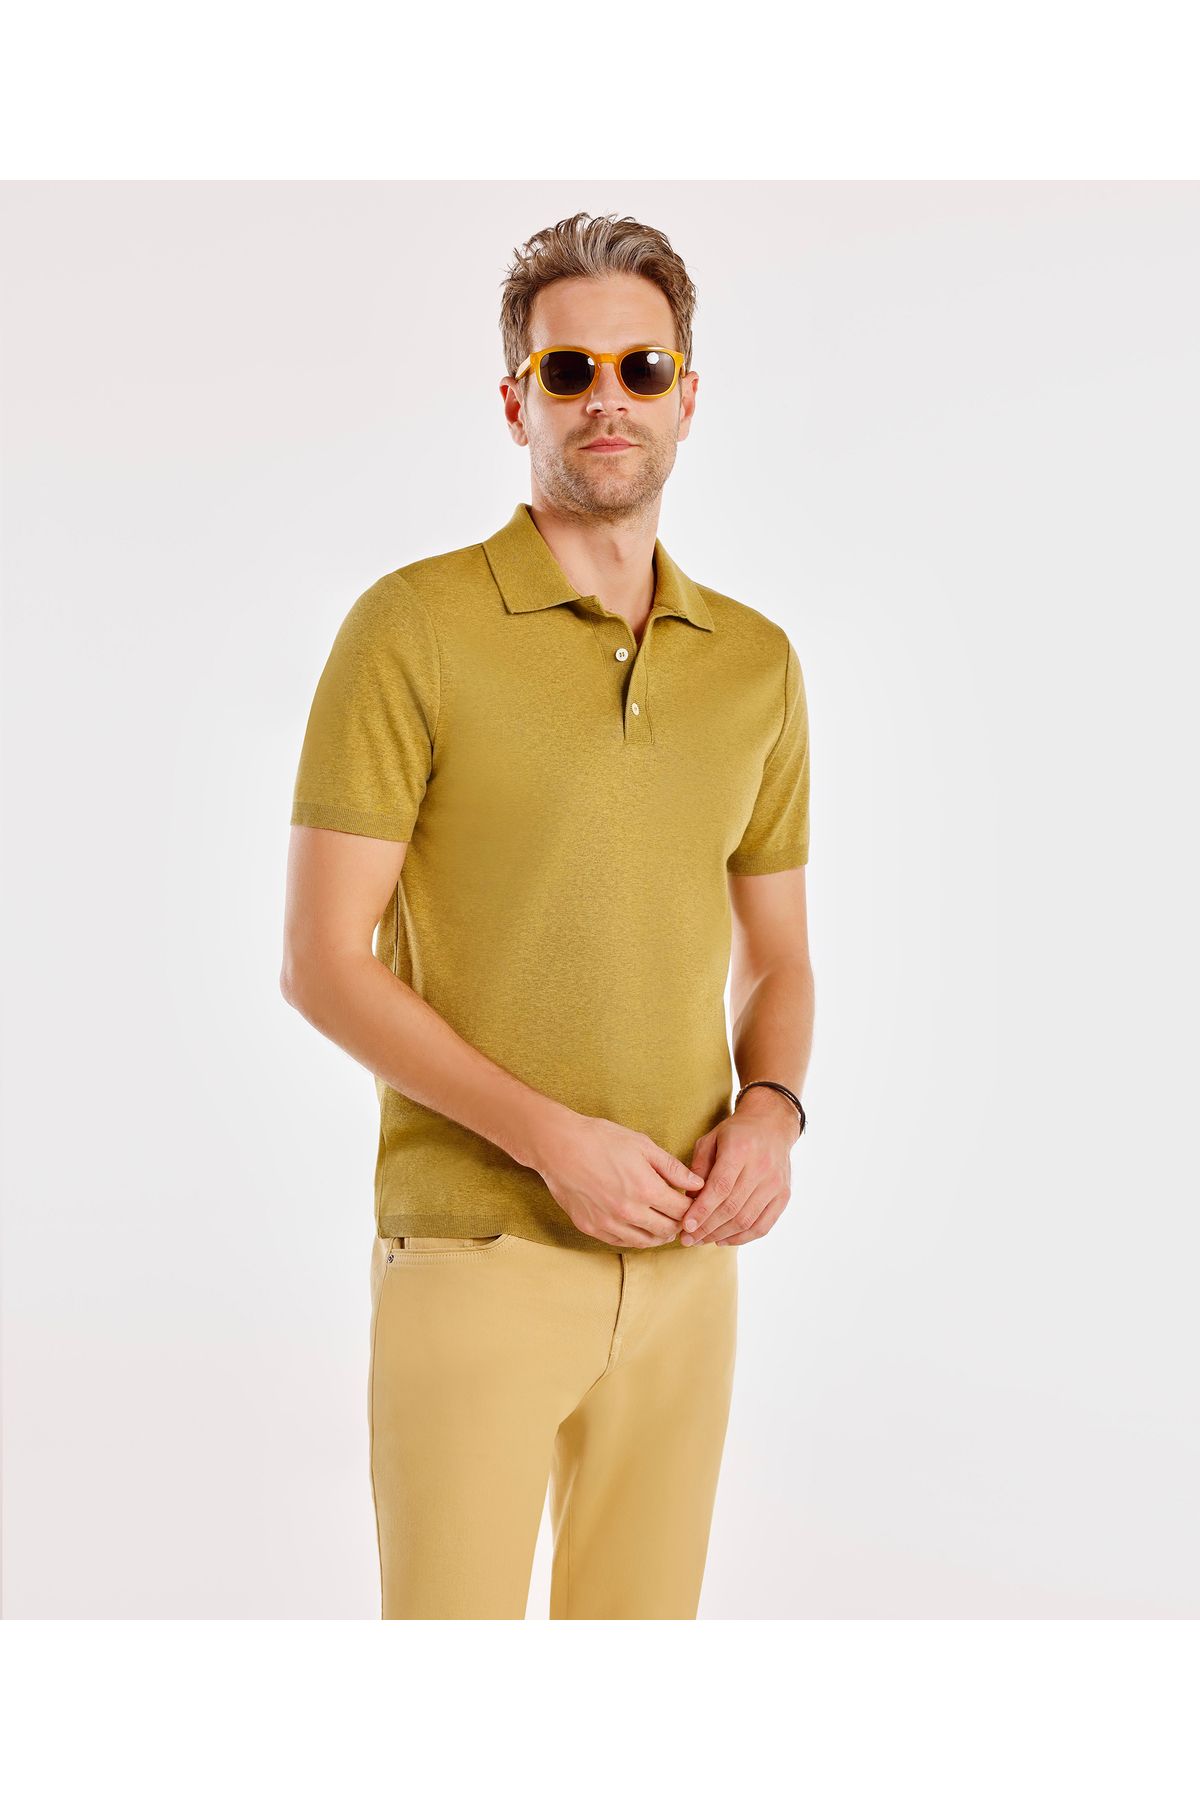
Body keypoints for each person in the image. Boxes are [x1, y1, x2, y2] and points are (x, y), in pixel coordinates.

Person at [280, 210, 815, 1619]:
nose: (607, 400)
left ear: (688, 395)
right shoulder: (411, 629)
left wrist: (772, 1112)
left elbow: (778, 957)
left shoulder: (757, 665)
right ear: (518, 400)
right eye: (569, 371)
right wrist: (551, 1141)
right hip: (478, 1252)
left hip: (690, 1268)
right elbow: (323, 962)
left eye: (642, 368)